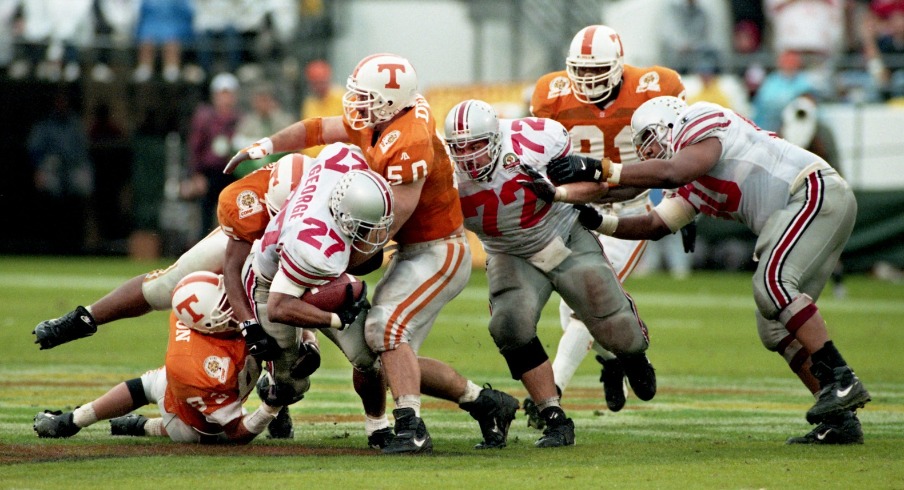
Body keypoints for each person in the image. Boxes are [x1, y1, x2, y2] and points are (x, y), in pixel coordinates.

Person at [225, 53, 518, 454]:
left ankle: (411, 428)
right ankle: (485, 404)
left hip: (437, 249)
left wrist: (331, 268)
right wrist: (267, 145)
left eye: (367, 98)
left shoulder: (409, 140)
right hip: (407, 249)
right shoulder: (377, 121)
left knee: (386, 331)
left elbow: (385, 228)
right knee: (390, 358)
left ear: (391, 102)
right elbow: (319, 129)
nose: (357, 106)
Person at [547, 95, 871, 444]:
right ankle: (840, 419)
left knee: (772, 283)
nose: (649, 153)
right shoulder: (693, 182)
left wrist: (602, 167)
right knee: (774, 330)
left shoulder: (700, 119)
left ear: (669, 123)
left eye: (649, 141)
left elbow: (673, 171)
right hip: (805, 209)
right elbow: (656, 224)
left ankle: (841, 379)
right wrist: (600, 219)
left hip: (811, 191)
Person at [33, 154, 310, 438]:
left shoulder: (333, 195)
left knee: (272, 325)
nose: (227, 303)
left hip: (307, 247)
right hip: (251, 247)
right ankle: (84, 319)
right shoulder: (249, 205)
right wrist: (269, 401)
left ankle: (123, 423)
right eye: (222, 300)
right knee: (182, 291)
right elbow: (232, 272)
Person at [445, 99, 655, 448]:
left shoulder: (535, 142)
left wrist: (559, 193)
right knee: (508, 326)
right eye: (459, 147)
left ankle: (632, 355)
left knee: (616, 329)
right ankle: (553, 416)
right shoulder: (444, 171)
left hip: (562, 236)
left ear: (496, 139)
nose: (468, 156)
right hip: (509, 253)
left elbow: (596, 186)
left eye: (477, 145)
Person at [528, 24, 686, 419]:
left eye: (595, 70)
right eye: (578, 71)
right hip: (574, 210)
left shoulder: (655, 85)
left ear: (618, 66)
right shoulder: (551, 93)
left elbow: (680, 145)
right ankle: (613, 359)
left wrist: (684, 193)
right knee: (574, 309)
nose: (586, 80)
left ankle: (551, 393)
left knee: (589, 304)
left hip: (628, 209)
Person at [33, 271, 285, 444]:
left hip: (184, 377)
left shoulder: (192, 311)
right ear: (211, 323)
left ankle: (76, 421)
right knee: (200, 432)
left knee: (149, 384)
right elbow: (236, 432)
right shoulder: (198, 367)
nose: (234, 306)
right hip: (197, 420)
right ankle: (138, 426)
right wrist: (269, 407)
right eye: (225, 306)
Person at [187, 72, 243, 235]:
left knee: (234, 217)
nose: (225, 99)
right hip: (210, 174)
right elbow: (195, 148)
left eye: (228, 95)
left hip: (234, 173)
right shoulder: (204, 119)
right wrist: (195, 174)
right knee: (205, 219)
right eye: (221, 94)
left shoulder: (241, 119)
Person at [298, 59, 344, 158]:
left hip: (337, 158)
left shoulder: (343, 98)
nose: (319, 86)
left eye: (321, 81)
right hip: (312, 161)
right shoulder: (309, 103)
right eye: (315, 83)